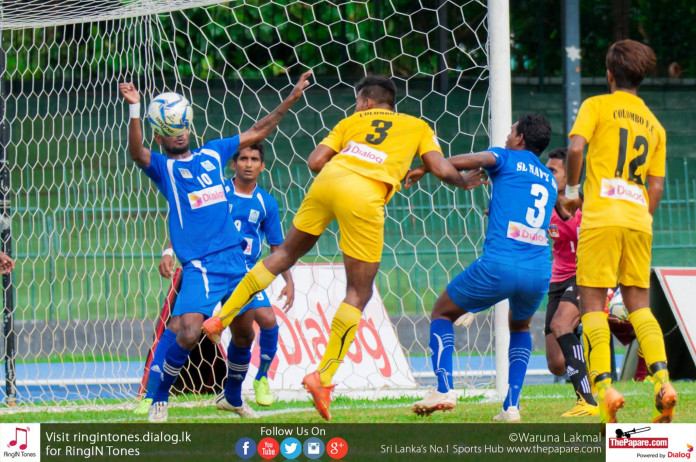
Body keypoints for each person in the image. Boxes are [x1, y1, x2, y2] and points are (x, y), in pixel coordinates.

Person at [202, 75, 487, 420]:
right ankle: (322, 377)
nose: (357, 107)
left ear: (366, 102)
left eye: (356, 102)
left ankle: (221, 318)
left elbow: (315, 161)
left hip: (328, 181)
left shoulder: (351, 121)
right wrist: (463, 181)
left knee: (283, 255)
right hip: (364, 194)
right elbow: (441, 167)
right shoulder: (416, 125)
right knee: (359, 291)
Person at [119, 70, 311, 422]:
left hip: (237, 263)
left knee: (243, 332)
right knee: (188, 331)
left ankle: (233, 397)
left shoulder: (212, 154)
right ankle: (159, 398)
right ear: (160, 136)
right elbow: (135, 152)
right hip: (201, 266)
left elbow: (259, 130)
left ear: (189, 127)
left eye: (182, 129)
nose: (178, 136)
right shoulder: (164, 169)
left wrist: (291, 98)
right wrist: (134, 110)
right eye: (170, 132)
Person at [408, 114, 556, 422]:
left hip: (501, 263)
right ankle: (511, 406)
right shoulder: (549, 178)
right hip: (539, 268)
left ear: (521, 139)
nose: (506, 136)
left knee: (442, 312)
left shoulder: (504, 157)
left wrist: (426, 166)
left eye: (511, 130)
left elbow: (465, 160)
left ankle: (444, 389)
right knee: (520, 326)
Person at [561, 39, 676, 424]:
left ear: (610, 75)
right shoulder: (655, 125)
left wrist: (573, 191)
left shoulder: (597, 105)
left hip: (601, 218)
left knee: (592, 306)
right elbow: (656, 185)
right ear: (641, 78)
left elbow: (576, 149)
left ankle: (607, 388)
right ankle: (663, 381)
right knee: (639, 305)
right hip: (638, 220)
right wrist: (640, 217)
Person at [138, 143, 294, 413]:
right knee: (178, 326)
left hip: (243, 271)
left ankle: (259, 381)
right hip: (206, 265)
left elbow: (276, 246)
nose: (248, 164)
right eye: (242, 158)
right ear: (232, 164)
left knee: (265, 321)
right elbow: (186, 220)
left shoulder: (266, 202)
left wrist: (288, 280)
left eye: (254, 159)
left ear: (262, 166)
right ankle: (152, 395)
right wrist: (168, 250)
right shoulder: (215, 190)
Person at [543, 147, 598, 417]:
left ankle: (587, 399)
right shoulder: (542, 206)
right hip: (558, 280)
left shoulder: (587, 207)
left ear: (571, 175)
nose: (546, 173)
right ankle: (582, 347)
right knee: (555, 363)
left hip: (587, 274)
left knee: (560, 324)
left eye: (553, 170)